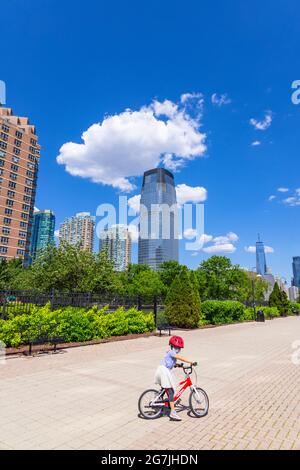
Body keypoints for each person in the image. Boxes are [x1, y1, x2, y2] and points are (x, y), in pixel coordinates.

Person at [154, 335, 195, 421]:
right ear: (172, 346)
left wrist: (180, 366)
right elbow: (180, 357)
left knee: (167, 389)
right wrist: (190, 361)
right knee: (171, 391)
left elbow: (173, 363)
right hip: (164, 371)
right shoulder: (171, 352)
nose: (178, 349)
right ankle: (173, 412)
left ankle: (164, 400)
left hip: (163, 370)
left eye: (179, 348)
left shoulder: (171, 354)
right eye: (177, 347)